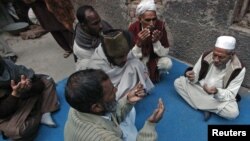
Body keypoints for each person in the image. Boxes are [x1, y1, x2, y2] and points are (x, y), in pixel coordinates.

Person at [78, 29, 154, 141]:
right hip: (106, 113)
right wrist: (150, 124)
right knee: (132, 135)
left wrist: (127, 100)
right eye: (120, 57)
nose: (125, 59)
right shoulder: (95, 67)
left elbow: (131, 58)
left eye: (125, 54)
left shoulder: (78, 109)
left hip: (107, 108)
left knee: (135, 64)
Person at [64, 69, 165, 141]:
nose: (116, 90)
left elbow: (106, 115)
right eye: (112, 91)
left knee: (131, 110)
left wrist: (128, 101)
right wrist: (150, 125)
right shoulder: (102, 137)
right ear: (96, 107)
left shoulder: (78, 106)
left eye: (113, 86)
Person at [174, 36, 246, 121]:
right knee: (177, 83)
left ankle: (200, 105)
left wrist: (216, 92)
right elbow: (196, 74)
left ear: (231, 55)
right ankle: (208, 108)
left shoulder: (238, 68)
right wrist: (191, 77)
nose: (216, 59)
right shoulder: (207, 55)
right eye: (215, 55)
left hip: (217, 96)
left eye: (221, 57)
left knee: (233, 112)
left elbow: (230, 94)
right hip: (200, 88)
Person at [0, 56, 59, 140]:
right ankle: (41, 111)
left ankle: (40, 112)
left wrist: (30, 86)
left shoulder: (8, 65)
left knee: (47, 80)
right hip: (7, 112)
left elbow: (38, 82)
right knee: (17, 131)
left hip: (23, 96)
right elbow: (2, 112)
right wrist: (15, 94)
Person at [128, 0, 172, 83]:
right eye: (147, 20)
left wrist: (156, 42)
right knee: (132, 67)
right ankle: (147, 73)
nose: (152, 24)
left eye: (154, 19)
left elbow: (165, 52)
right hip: (140, 59)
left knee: (167, 63)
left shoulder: (160, 26)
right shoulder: (133, 28)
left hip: (153, 57)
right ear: (140, 19)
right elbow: (130, 57)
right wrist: (139, 43)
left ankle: (154, 72)